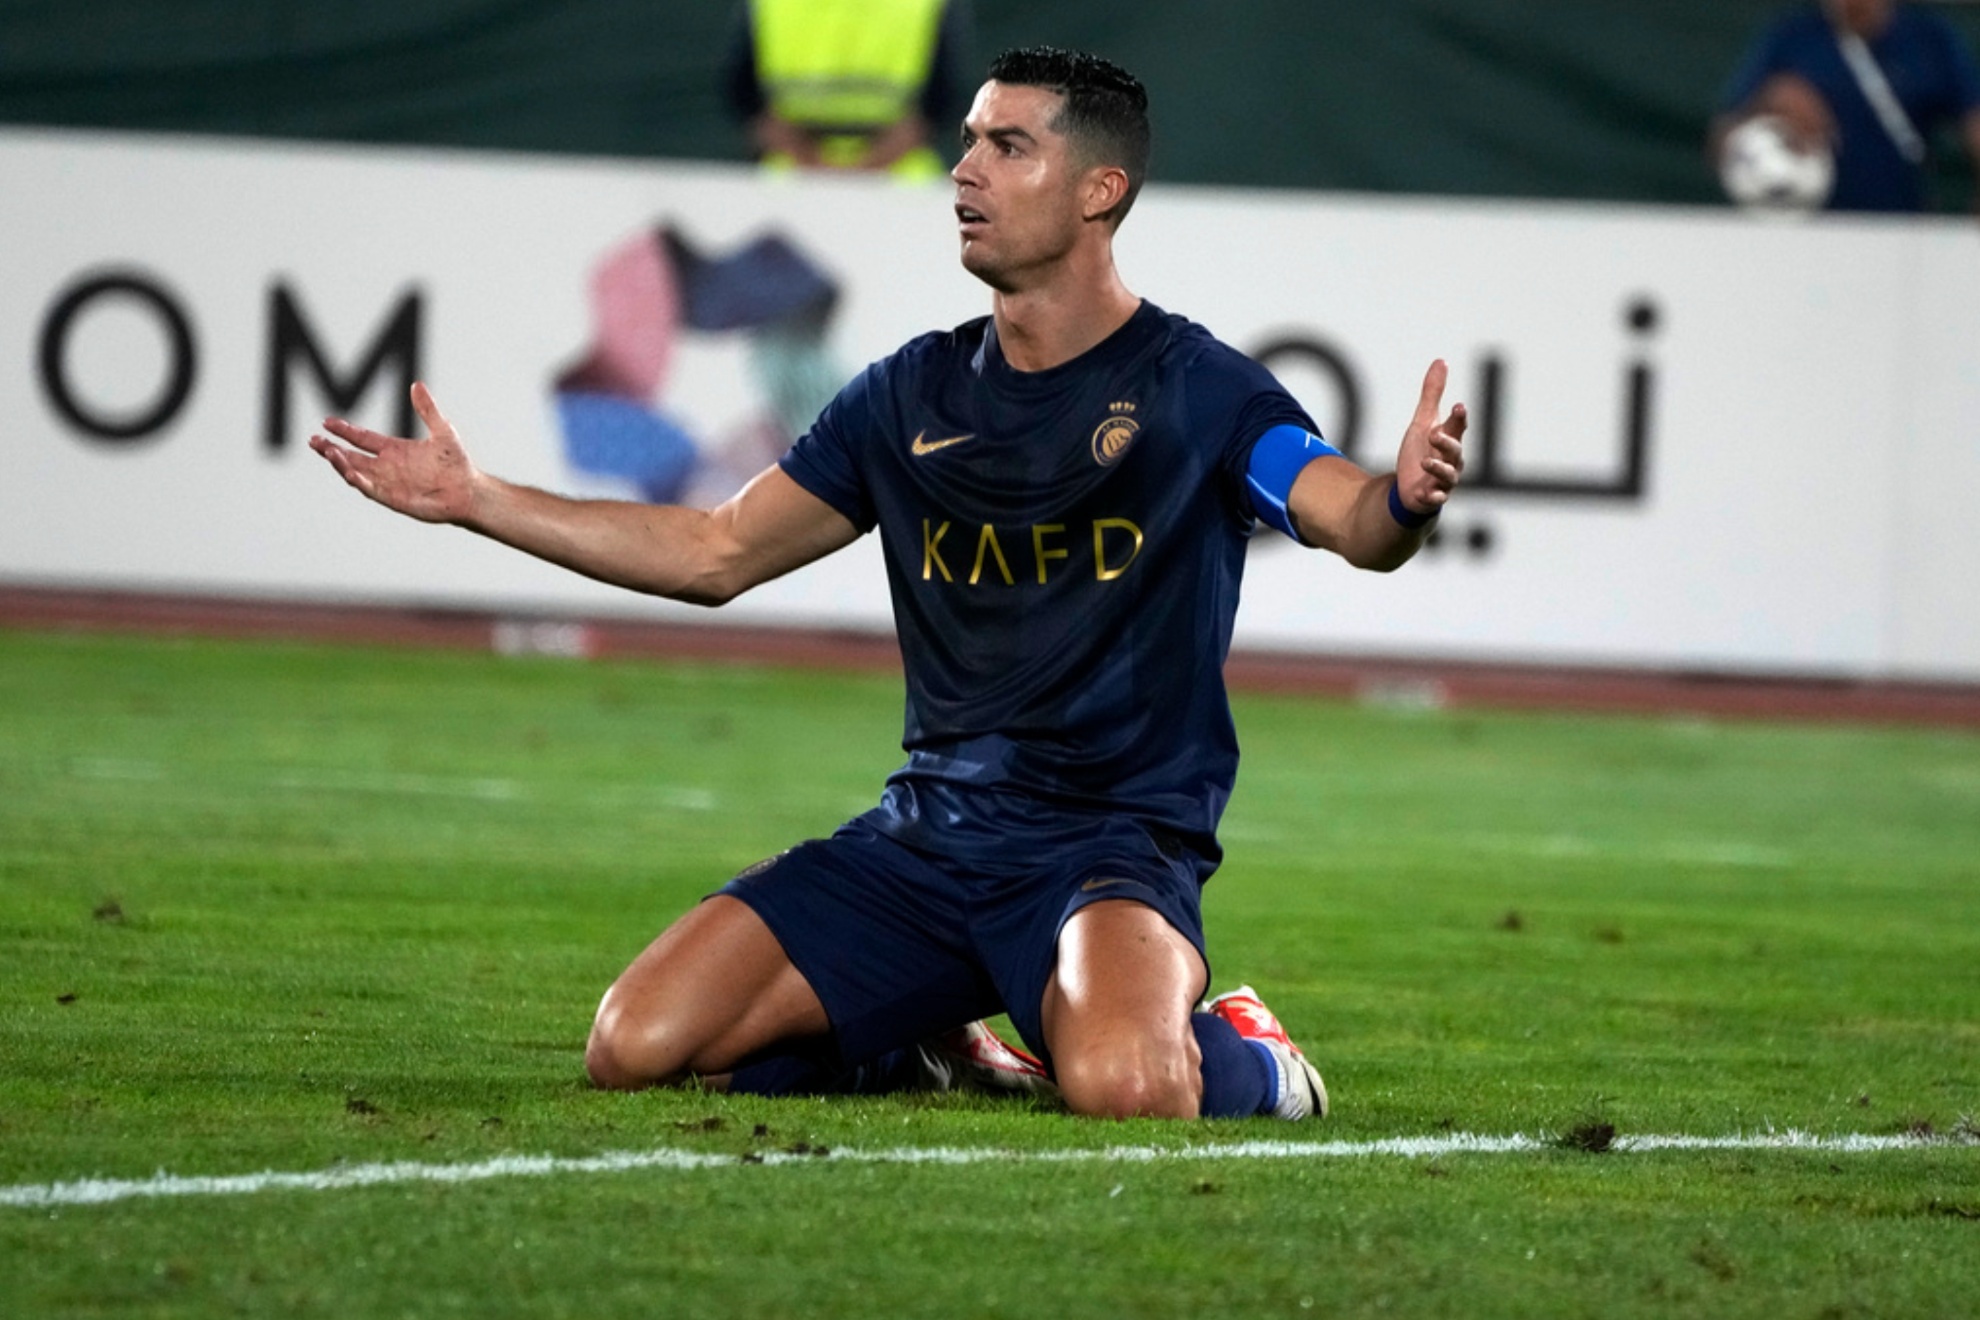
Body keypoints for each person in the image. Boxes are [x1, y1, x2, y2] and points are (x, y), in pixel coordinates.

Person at [310, 47, 1466, 1121]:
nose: (964, 169)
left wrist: (1403, 499)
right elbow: (715, 553)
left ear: (1098, 190)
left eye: (1009, 146)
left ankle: (1253, 1055)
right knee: (636, 1046)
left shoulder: (1198, 389)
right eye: (968, 139)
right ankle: (918, 1032)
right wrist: (480, 500)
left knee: (1125, 1085)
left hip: (1107, 850)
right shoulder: (908, 394)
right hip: (925, 839)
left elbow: (1347, 516)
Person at [1712, 0, 1980, 213]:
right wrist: (1769, 99)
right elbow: (1720, 139)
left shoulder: (1930, 39)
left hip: (1902, 228)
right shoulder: (1791, 37)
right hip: (1806, 226)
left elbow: (1973, 119)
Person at [722, 0, 973, 180]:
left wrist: (838, 174)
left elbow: (937, 108)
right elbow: (747, 101)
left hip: (897, 177)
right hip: (793, 176)